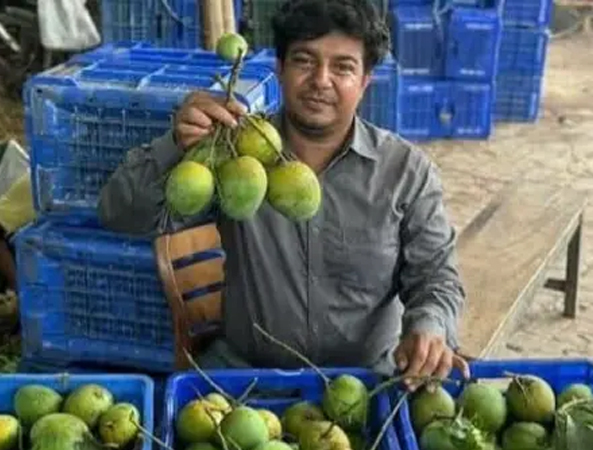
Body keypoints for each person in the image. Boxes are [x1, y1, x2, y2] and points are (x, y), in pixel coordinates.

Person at [98, 0, 470, 388]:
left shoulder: (405, 172)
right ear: (279, 68)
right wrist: (175, 144)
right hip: (246, 380)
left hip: (366, 383)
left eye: (343, 67)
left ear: (365, 81)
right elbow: (119, 216)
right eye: (304, 61)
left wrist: (430, 325)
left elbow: (436, 275)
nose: (321, 80)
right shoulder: (233, 158)